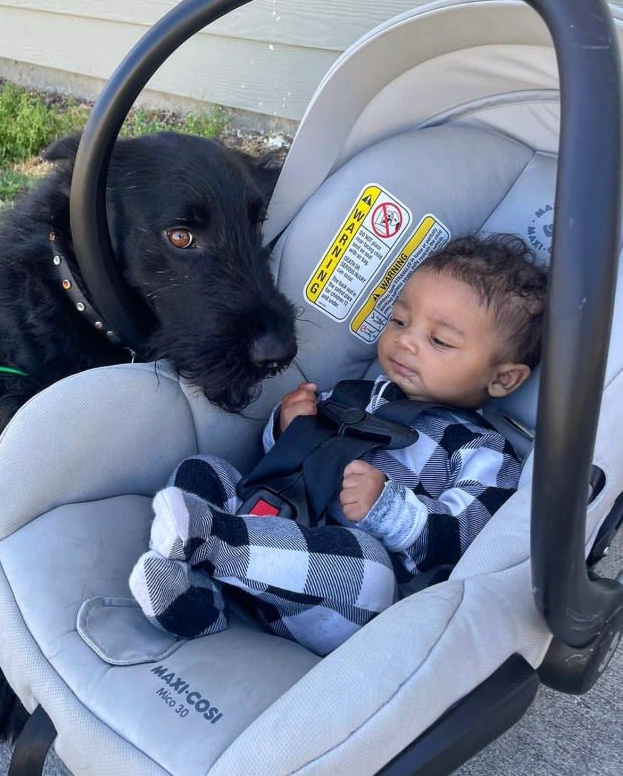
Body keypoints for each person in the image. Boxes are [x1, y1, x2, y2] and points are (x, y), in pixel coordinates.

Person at [129, 233, 547, 656]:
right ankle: (194, 597)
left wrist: (387, 507)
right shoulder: (357, 397)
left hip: (347, 606)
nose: (406, 340)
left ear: (502, 379)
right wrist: (289, 427)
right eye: (399, 321)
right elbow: (282, 461)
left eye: (439, 341)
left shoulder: (482, 449)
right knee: (205, 469)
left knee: (367, 565)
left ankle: (210, 541)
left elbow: (466, 536)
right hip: (274, 541)